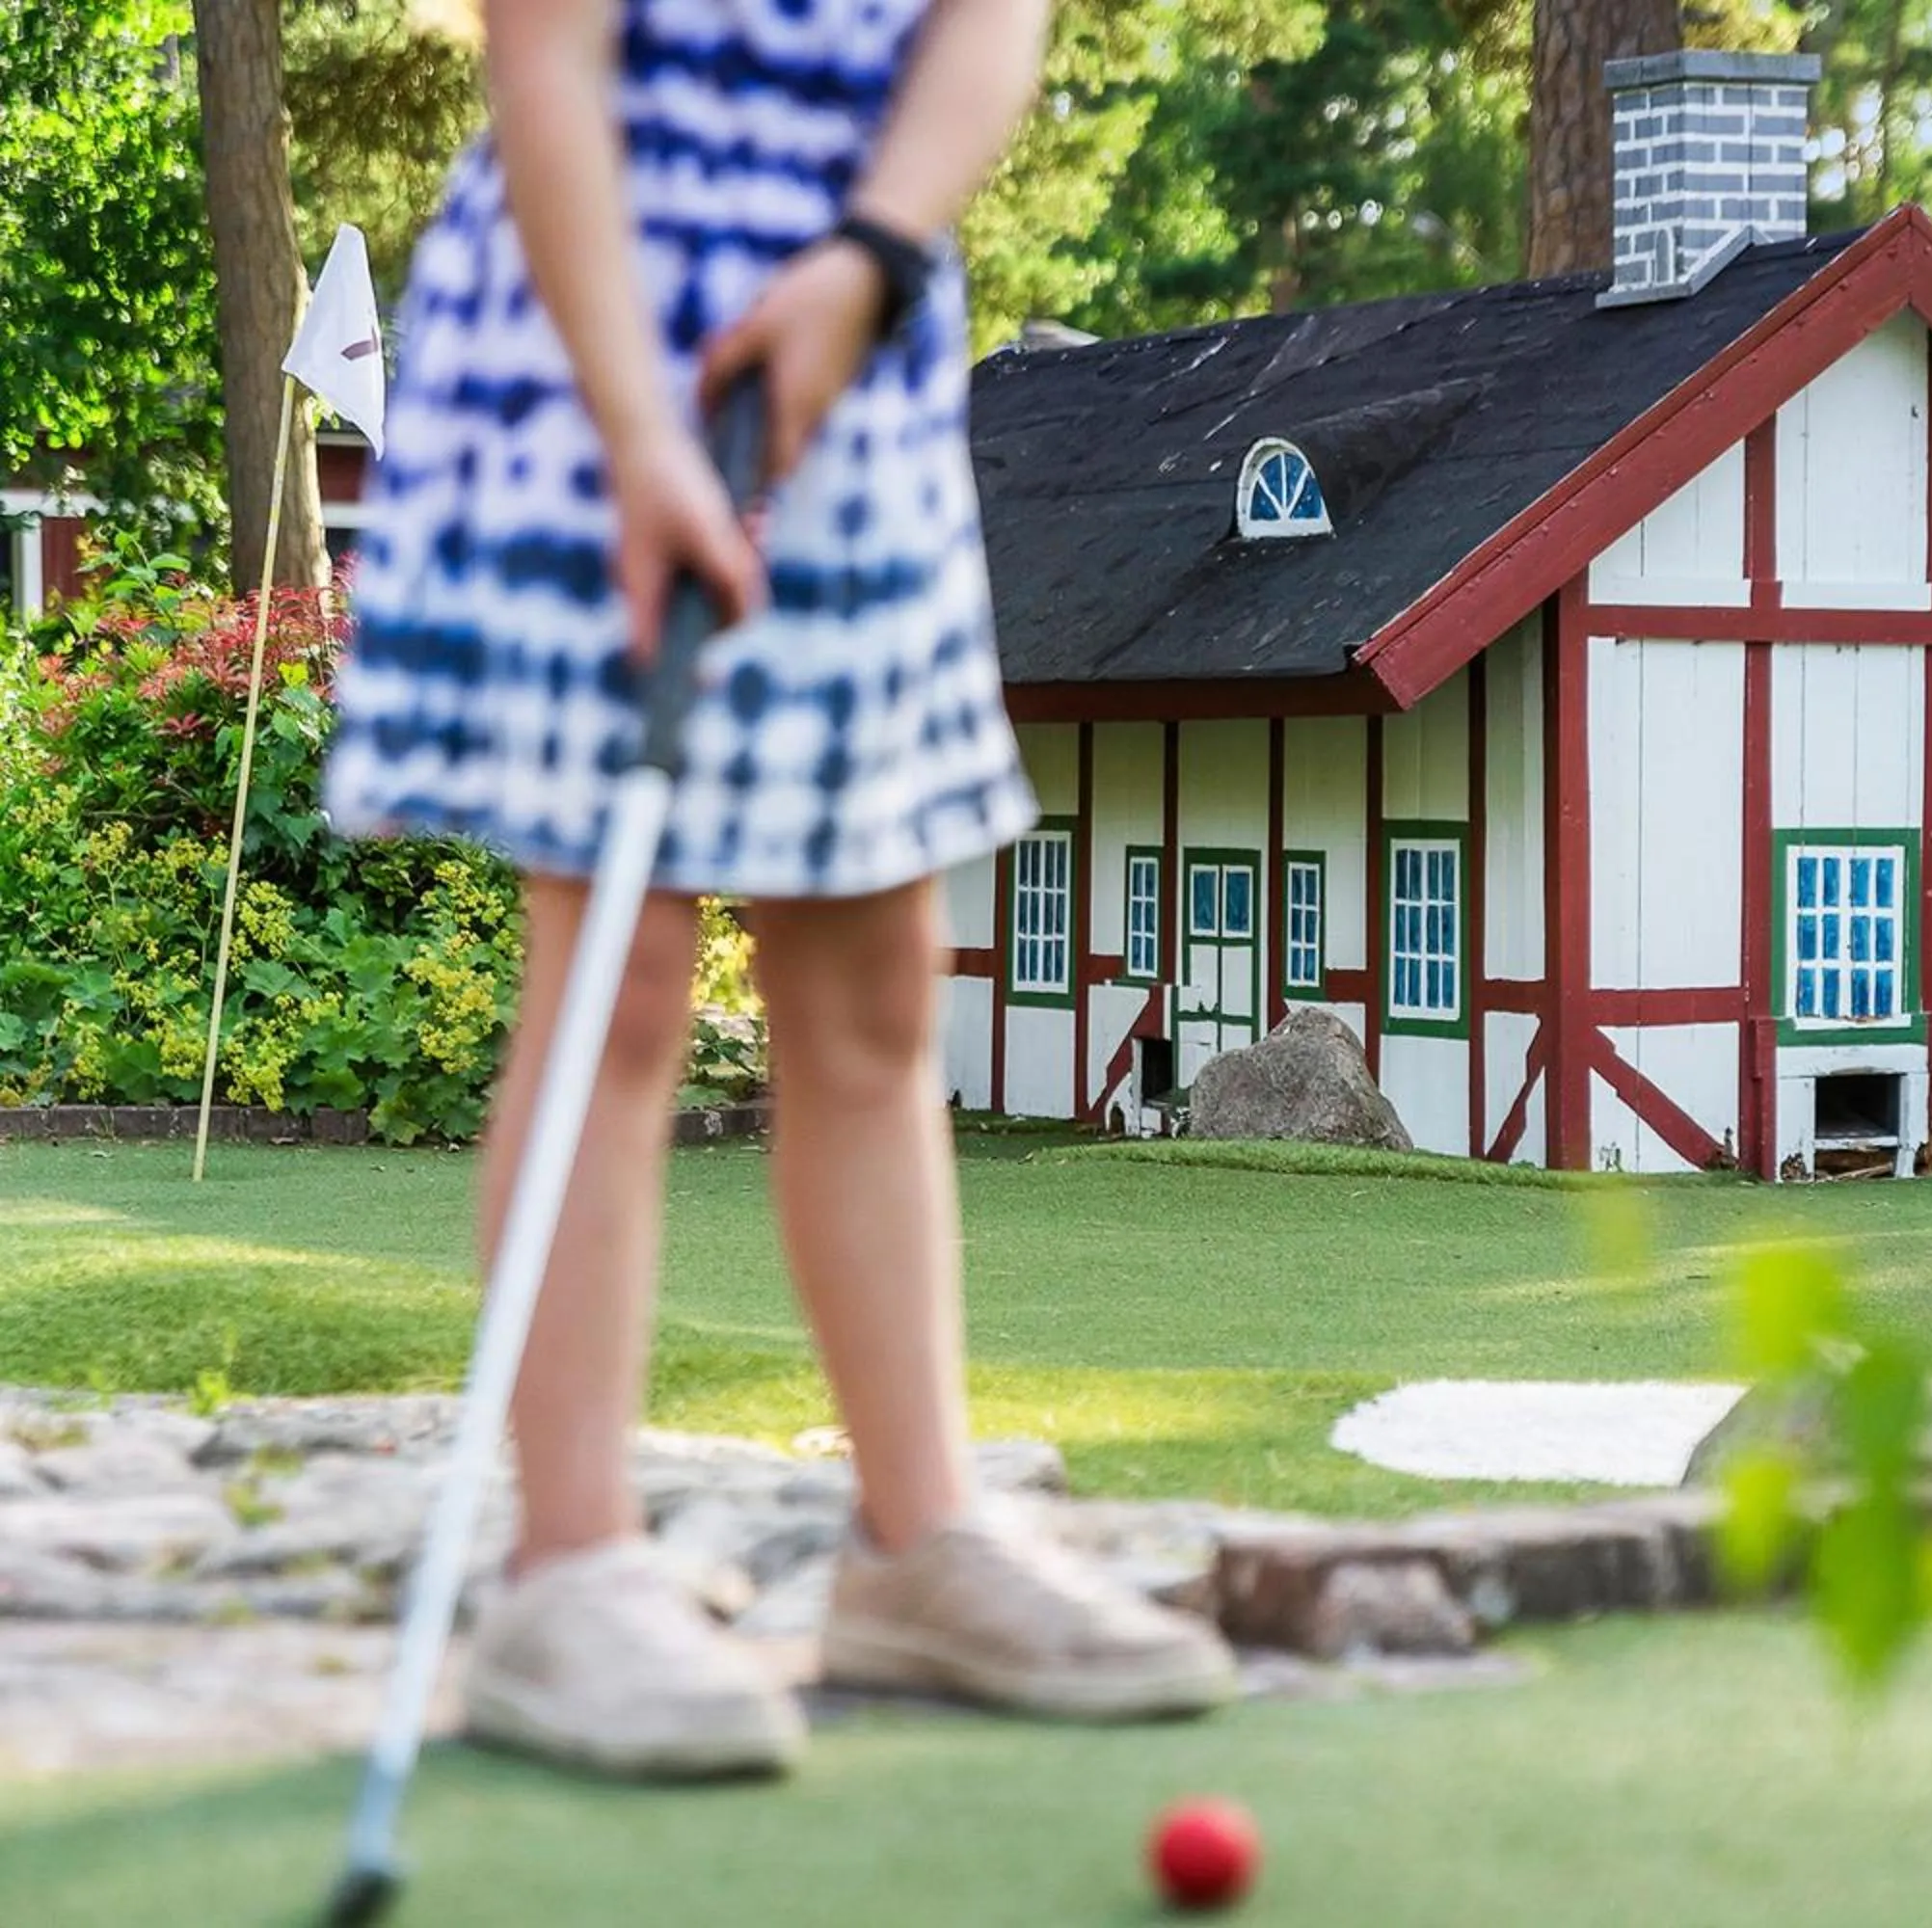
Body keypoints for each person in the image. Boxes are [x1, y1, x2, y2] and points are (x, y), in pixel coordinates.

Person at [323, 0, 1236, 1779]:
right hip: (599, 337)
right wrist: (643, 437)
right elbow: (548, 62)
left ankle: (915, 1547)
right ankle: (568, 1567)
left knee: (880, 970)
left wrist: (874, 254)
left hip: (854, 338)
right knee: (622, 962)